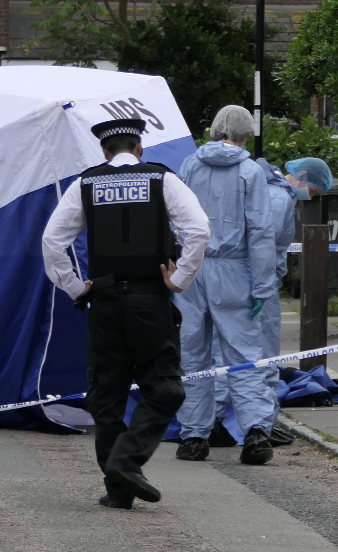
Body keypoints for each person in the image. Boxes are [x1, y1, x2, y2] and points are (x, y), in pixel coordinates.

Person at [42, 118, 210, 509]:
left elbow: (52, 241)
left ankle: (117, 488)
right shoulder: (160, 180)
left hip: (103, 305)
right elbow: (199, 229)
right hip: (150, 303)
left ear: (104, 151)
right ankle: (127, 462)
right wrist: (179, 279)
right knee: (165, 388)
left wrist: (75, 286)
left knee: (107, 397)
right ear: (139, 148)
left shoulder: (86, 183)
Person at [174, 105, 278, 466]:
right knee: (244, 355)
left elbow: (177, 217)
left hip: (192, 267)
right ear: (247, 133)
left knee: (192, 355)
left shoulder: (190, 165)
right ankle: (256, 432)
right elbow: (262, 233)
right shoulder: (251, 172)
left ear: (216, 129)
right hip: (234, 270)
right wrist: (263, 286)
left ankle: (193, 437)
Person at [209, 157, 298, 447]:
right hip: (258, 283)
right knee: (262, 356)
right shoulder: (279, 195)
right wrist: (263, 286)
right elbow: (265, 243)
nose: (314, 195)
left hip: (219, 278)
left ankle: (208, 424)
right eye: (316, 189)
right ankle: (261, 428)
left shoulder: (222, 179)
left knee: (220, 354)